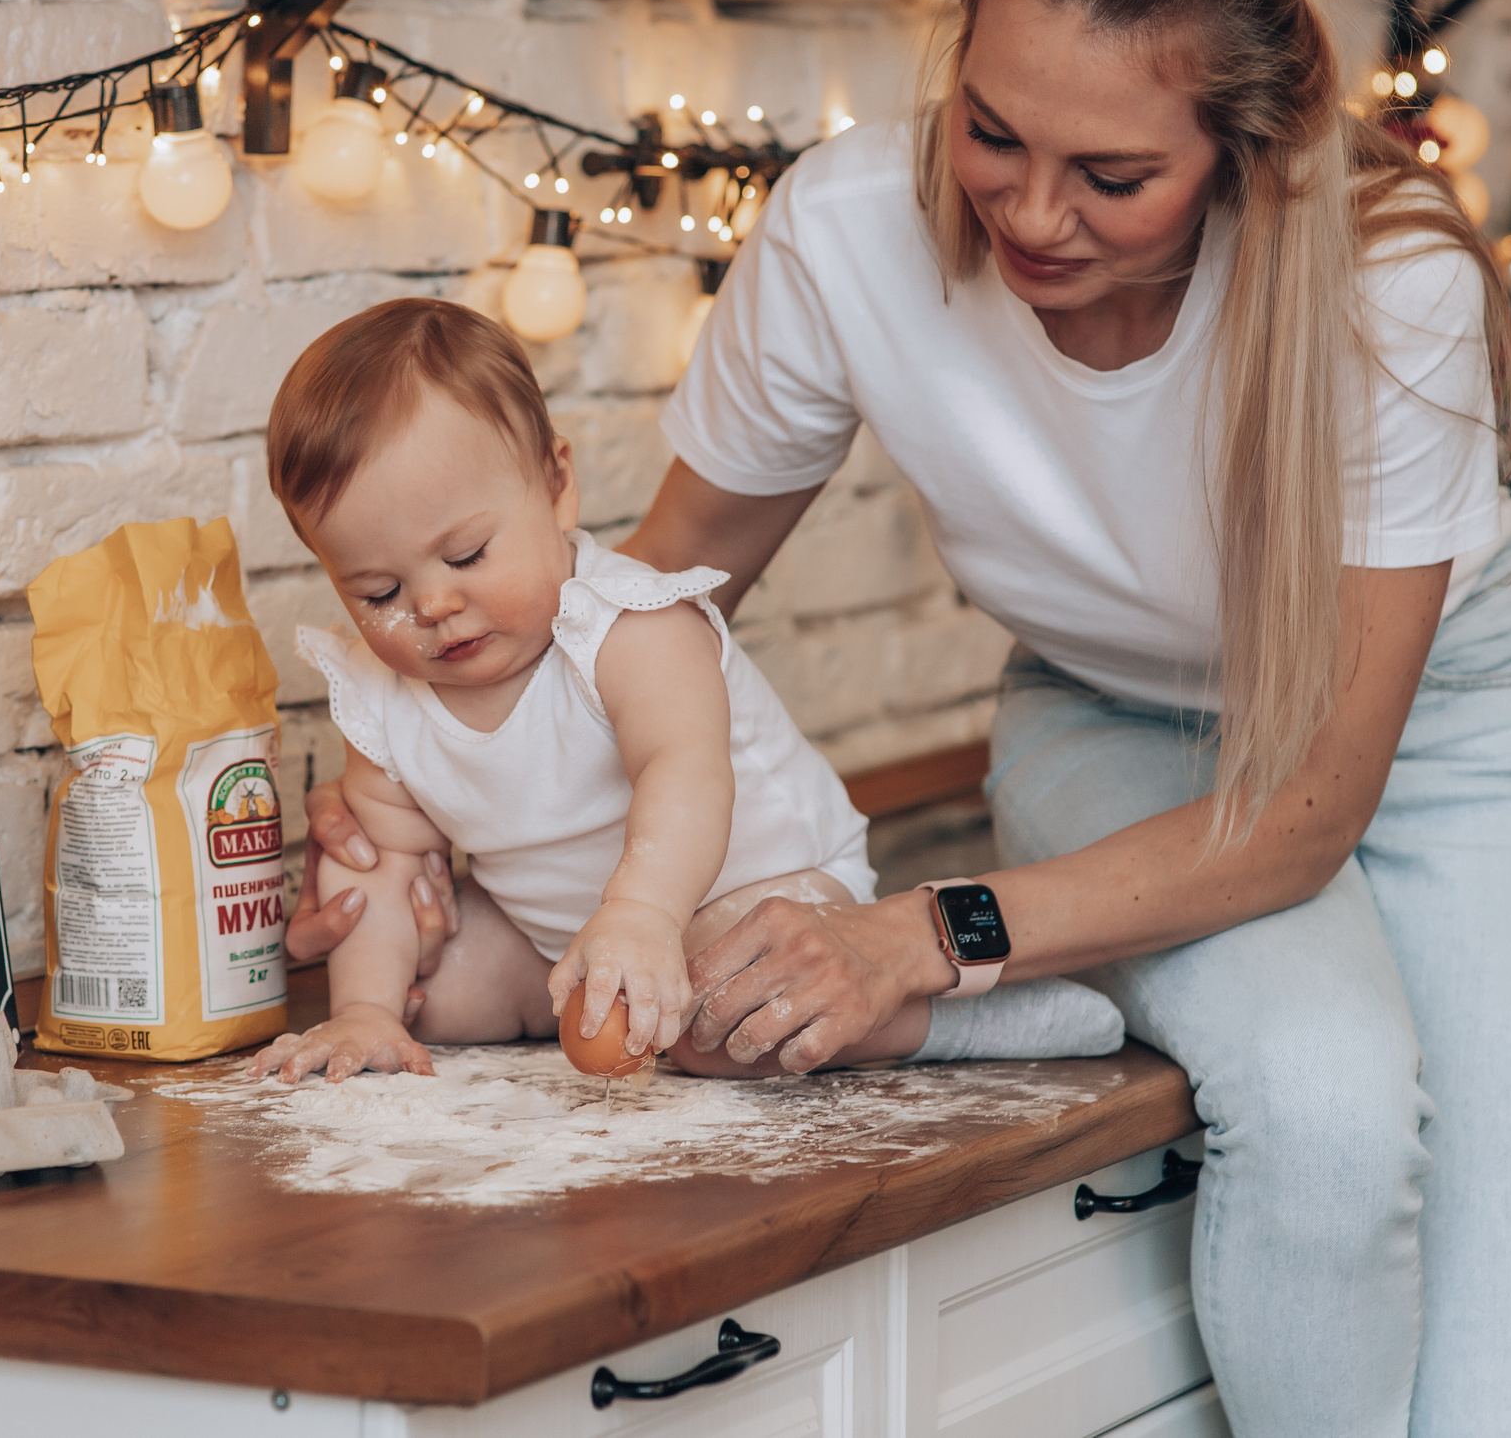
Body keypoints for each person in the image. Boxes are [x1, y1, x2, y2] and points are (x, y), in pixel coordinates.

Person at [290, 0, 1511, 1437]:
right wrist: (441, 799)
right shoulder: (850, 233)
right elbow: (647, 596)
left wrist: (915, 934)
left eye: (1116, 174)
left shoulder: (1387, 287)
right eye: (996, 131)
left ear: (1248, 143)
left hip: (1450, 760)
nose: (1036, 215)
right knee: (1330, 1106)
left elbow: (1306, 809)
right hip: (1116, 726)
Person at [254, 298, 1118, 1083]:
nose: (434, 607)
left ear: (557, 485)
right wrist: (365, 1007)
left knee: (718, 1021)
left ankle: (949, 1022)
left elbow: (685, 770)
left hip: (763, 894)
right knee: (426, 989)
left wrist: (641, 913)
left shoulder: (626, 624)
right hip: (566, 930)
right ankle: (546, 999)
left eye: (469, 555)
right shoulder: (381, 694)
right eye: (378, 593)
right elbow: (387, 863)